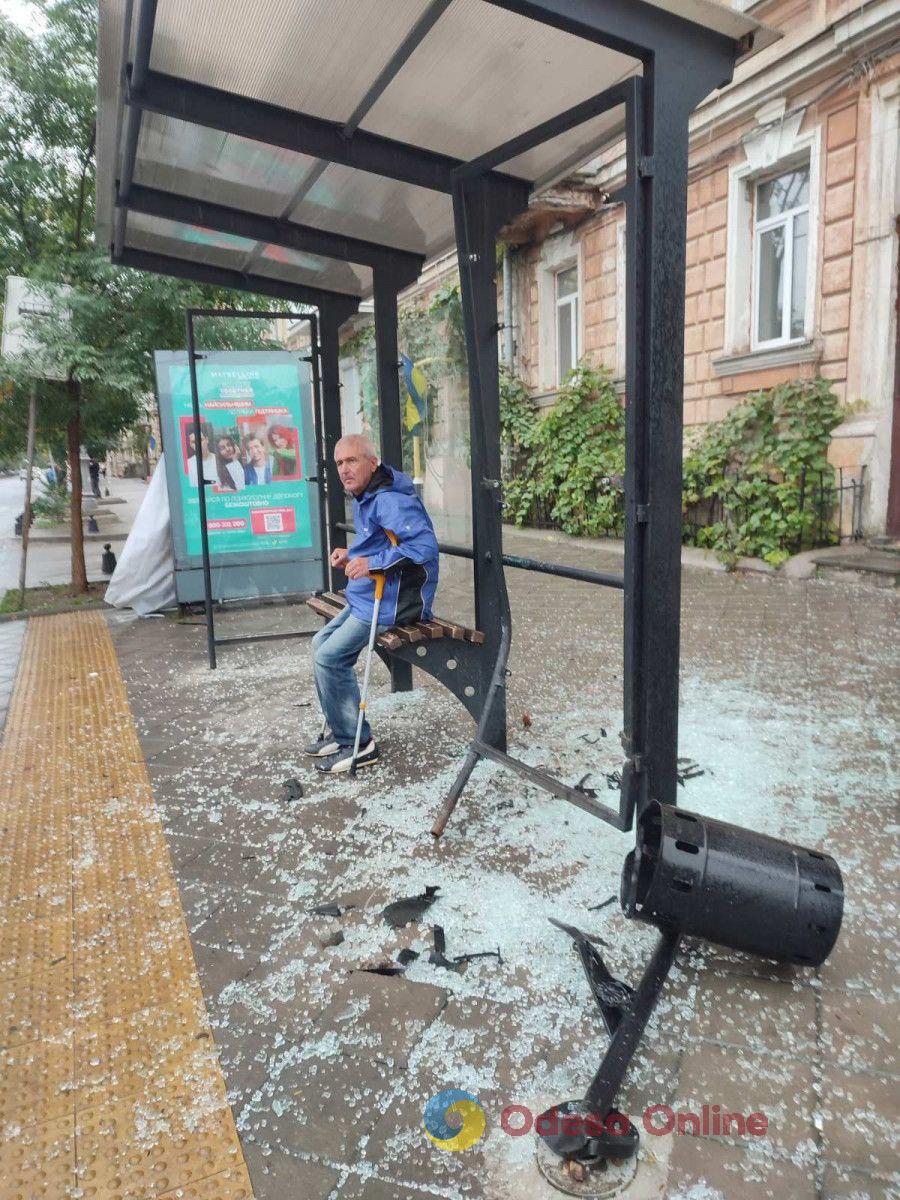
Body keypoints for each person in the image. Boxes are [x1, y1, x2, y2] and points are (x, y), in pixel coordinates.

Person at [306, 433, 439, 774]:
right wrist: (354, 554)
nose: (344, 470)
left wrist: (372, 563)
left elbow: (424, 547)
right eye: (339, 463)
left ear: (372, 462)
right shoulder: (365, 495)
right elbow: (383, 542)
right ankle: (341, 732)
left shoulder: (389, 499)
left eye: (352, 461)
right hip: (370, 597)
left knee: (329, 657)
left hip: (397, 602)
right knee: (320, 644)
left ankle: (359, 744)